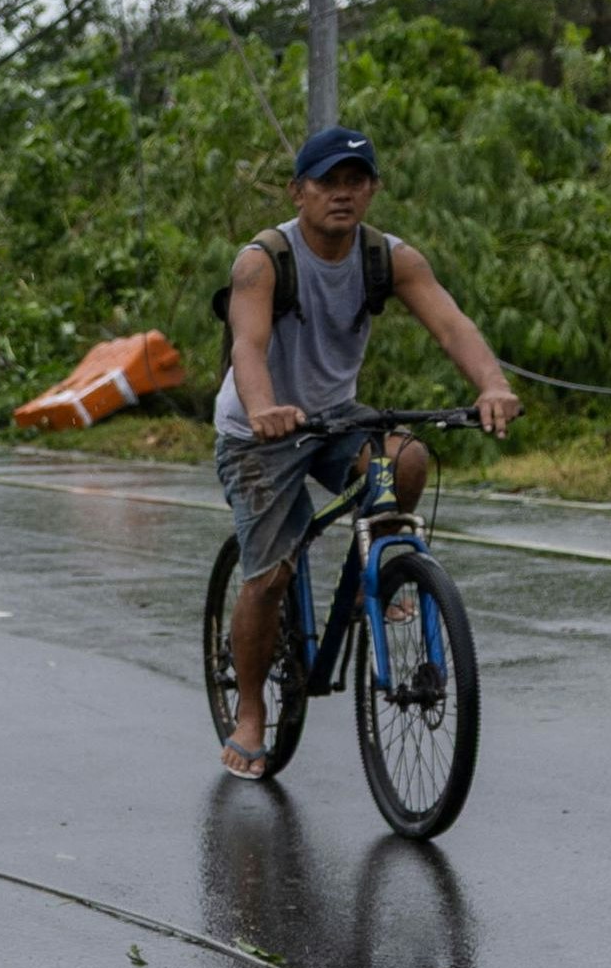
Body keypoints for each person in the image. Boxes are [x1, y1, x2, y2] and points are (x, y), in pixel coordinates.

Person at [212, 125, 520, 779]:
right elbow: (248, 345)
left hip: (335, 417)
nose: (343, 195)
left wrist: (491, 384)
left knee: (407, 459)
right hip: (257, 431)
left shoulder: (389, 258)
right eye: (328, 182)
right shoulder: (263, 261)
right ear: (299, 191)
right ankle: (250, 712)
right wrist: (265, 409)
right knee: (269, 575)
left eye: (357, 181)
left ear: (373, 188)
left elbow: (451, 324)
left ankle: (368, 586)